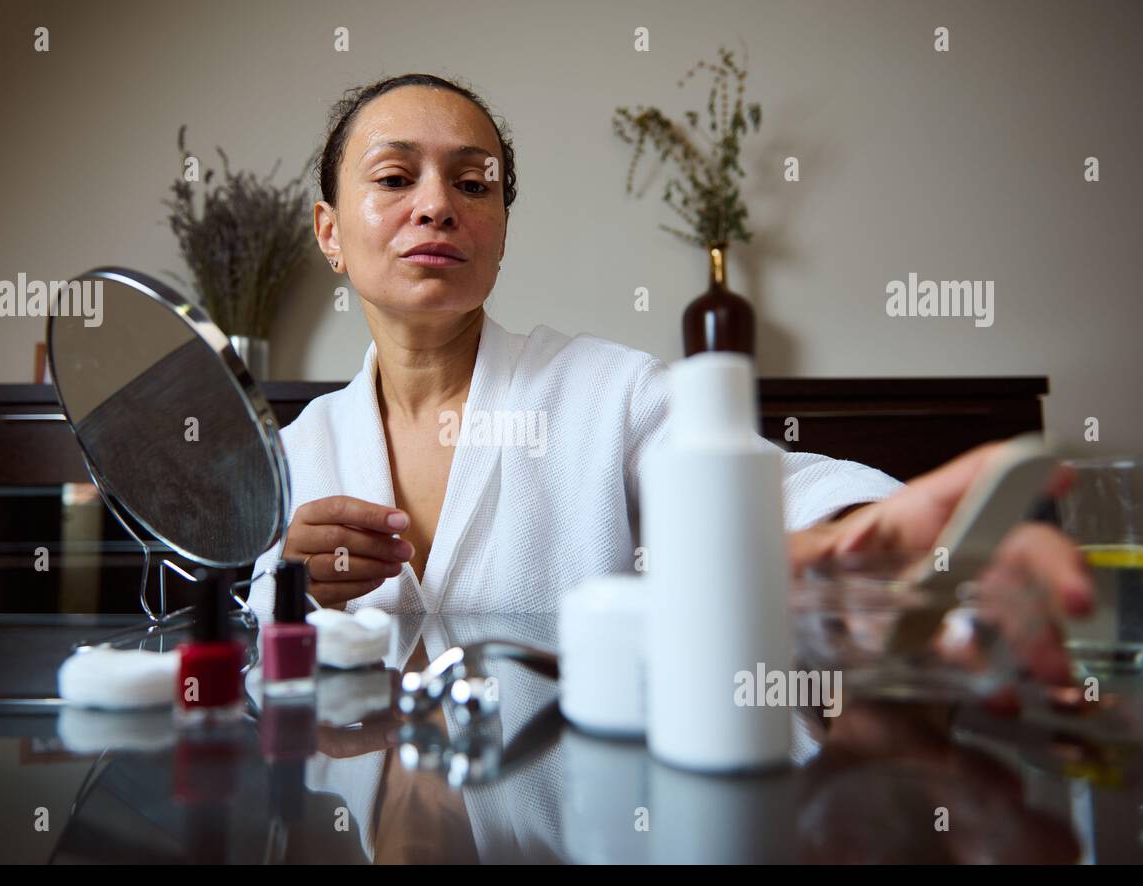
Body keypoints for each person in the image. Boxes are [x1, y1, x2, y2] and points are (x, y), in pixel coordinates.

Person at [249, 73, 1092, 682]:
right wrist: (286, 579)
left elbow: (770, 488)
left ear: (500, 230)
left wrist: (868, 534)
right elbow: (247, 618)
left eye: (474, 184)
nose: (437, 205)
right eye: (395, 179)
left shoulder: (605, 392)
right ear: (329, 231)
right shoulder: (298, 451)